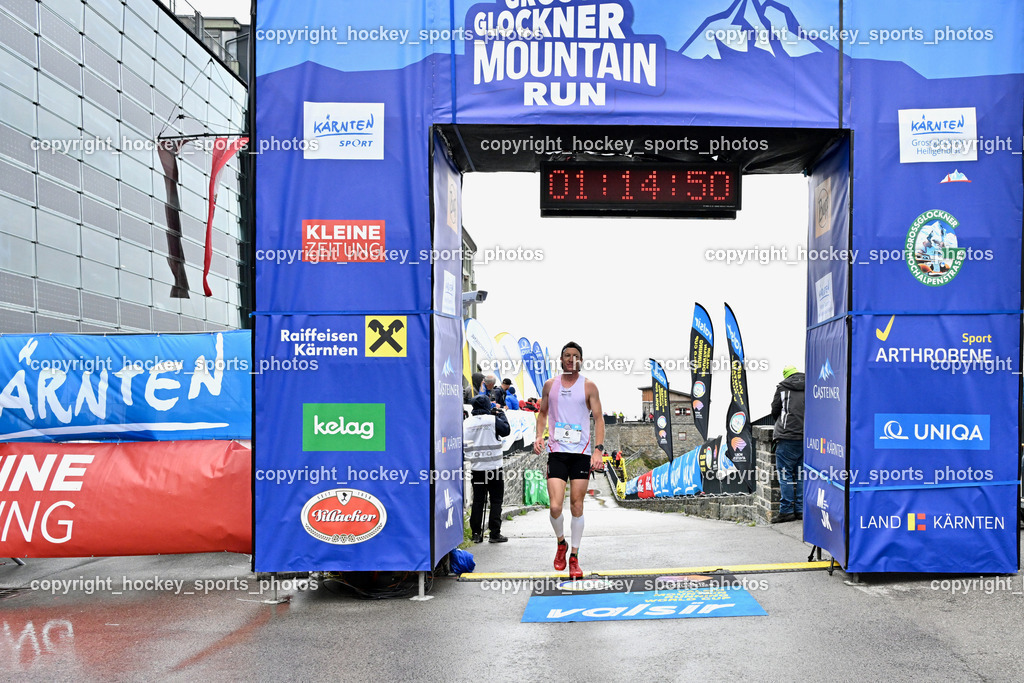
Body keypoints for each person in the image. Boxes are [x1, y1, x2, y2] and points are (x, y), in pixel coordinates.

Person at [534, 341, 604, 579]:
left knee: (576, 505)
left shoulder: (589, 386)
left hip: (581, 453)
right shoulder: (550, 385)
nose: (571, 359)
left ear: (580, 360)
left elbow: (599, 419)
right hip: (557, 451)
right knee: (555, 506)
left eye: (575, 356)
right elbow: (542, 413)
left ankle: (574, 556)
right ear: (561, 359)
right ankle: (561, 543)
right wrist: (539, 436)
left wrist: (598, 450)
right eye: (567, 355)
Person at [464, 395, 511, 543]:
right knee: (496, 501)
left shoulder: (466, 423)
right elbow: (506, 430)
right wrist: (501, 414)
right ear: (487, 406)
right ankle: (494, 534)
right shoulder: (493, 420)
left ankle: (476, 534)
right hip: (494, 468)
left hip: (476, 469)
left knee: (478, 501)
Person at [771, 365, 805, 523]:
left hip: (786, 436)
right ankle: (800, 509)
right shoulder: (810, 385)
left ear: (786, 375)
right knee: (801, 475)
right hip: (806, 437)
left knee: (785, 475)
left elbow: (775, 410)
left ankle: (786, 511)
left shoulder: (782, 388)